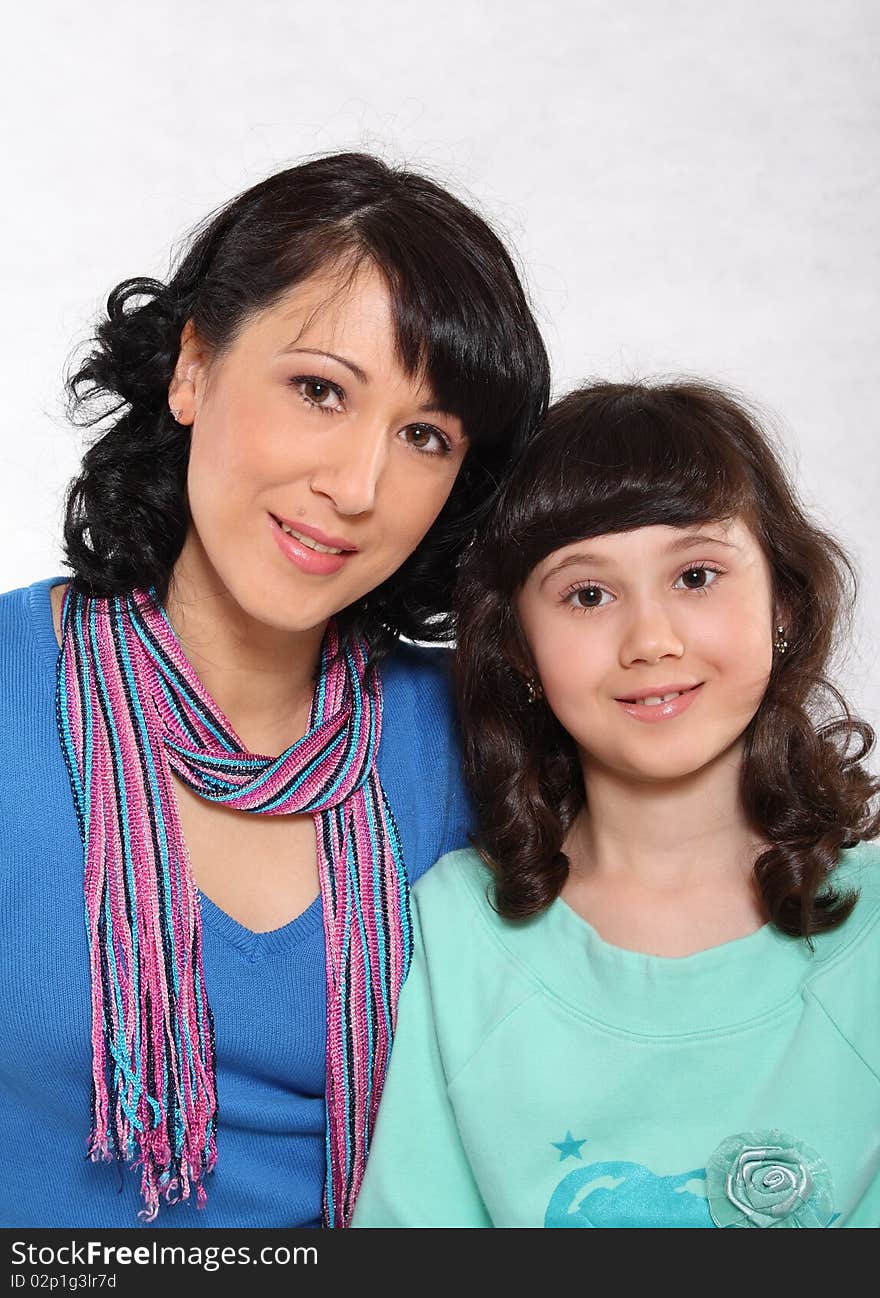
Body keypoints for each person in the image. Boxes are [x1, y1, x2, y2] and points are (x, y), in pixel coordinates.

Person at [0, 152, 550, 1228]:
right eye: (319, 390)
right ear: (192, 366)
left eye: (424, 436)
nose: (356, 487)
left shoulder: (478, 738)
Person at [351, 380, 880, 1229]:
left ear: (782, 602)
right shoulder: (455, 936)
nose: (651, 641)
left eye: (697, 576)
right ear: (520, 648)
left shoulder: (873, 935)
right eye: (588, 595)